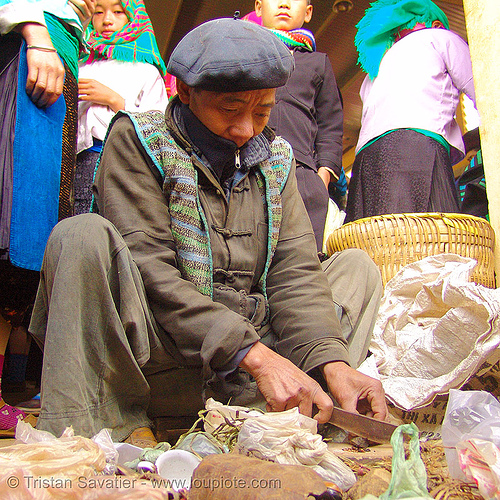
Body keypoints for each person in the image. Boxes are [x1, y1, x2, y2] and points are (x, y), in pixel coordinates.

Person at [30, 18, 387, 447]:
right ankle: (112, 426)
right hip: (166, 355)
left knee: (356, 267)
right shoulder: (139, 140)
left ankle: (296, 399)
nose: (246, 130)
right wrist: (251, 354)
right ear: (185, 92)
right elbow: (149, 271)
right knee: (79, 236)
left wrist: (331, 360)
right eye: (230, 110)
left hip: (249, 351)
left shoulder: (276, 157)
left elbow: (294, 272)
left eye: (263, 111)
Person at [0, 0, 95, 433]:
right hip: (26, 61)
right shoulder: (40, 28)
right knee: (9, 226)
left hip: (46, 82)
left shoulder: (72, 27)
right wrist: (36, 34)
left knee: (26, 255)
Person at [345, 0, 476, 223]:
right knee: (429, 233)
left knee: (373, 237)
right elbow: (482, 90)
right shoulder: (441, 38)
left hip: (366, 159)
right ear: (436, 24)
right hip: (416, 146)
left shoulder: (375, 68)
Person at [250, 0, 345, 253]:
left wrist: (321, 177)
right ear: (258, 7)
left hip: (303, 174)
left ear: (309, 12)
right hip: (249, 168)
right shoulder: (245, 55)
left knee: (304, 258)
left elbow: (330, 126)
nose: (283, 4)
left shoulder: (318, 62)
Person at [74, 0, 170, 215]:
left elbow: (159, 130)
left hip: (123, 164)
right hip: (78, 163)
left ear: (133, 17)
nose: (107, 20)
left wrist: (116, 102)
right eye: (98, 12)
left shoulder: (145, 70)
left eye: (118, 12)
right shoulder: (79, 64)